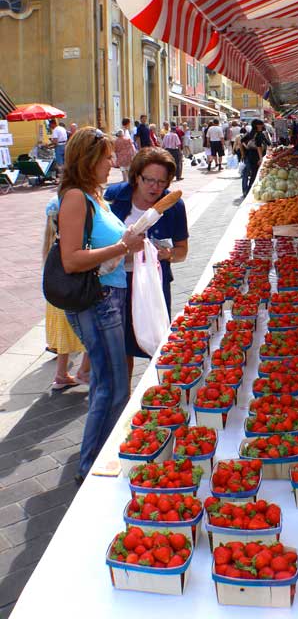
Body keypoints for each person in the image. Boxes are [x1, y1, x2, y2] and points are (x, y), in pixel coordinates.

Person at [57, 127, 145, 483]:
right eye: (107, 156)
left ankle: (98, 460)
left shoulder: (94, 194)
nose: (113, 162)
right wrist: (123, 247)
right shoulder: (76, 197)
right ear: (89, 159)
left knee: (109, 384)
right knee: (111, 386)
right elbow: (72, 260)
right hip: (98, 300)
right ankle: (95, 465)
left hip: (110, 296)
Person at [105, 147, 189, 379]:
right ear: (136, 176)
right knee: (122, 348)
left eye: (162, 182)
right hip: (118, 284)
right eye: (149, 180)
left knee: (159, 342)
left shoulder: (174, 206)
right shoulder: (113, 199)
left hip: (154, 285)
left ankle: (159, 395)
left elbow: (182, 252)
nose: (154, 187)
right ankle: (125, 398)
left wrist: (168, 254)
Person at [43, 197, 90, 389]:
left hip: (56, 300)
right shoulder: (70, 242)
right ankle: (85, 371)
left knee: (64, 338)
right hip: (73, 297)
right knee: (90, 335)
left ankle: (61, 375)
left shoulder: (51, 241)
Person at [241, 118, 270, 196]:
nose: (262, 125)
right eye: (260, 124)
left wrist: (246, 147)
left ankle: (247, 190)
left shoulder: (251, 133)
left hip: (250, 155)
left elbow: (242, 140)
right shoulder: (258, 134)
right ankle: (250, 190)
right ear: (256, 125)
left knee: (252, 173)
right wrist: (261, 159)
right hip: (256, 156)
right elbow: (259, 147)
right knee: (255, 174)